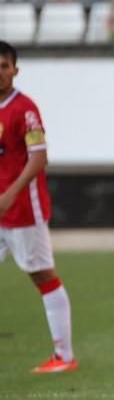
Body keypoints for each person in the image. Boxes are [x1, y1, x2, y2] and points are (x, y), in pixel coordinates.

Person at [0, 42, 77, 374]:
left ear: (15, 70)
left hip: (22, 211)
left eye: (4, 66)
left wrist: (11, 194)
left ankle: (64, 355)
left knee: (43, 276)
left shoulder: (24, 110)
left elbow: (38, 158)